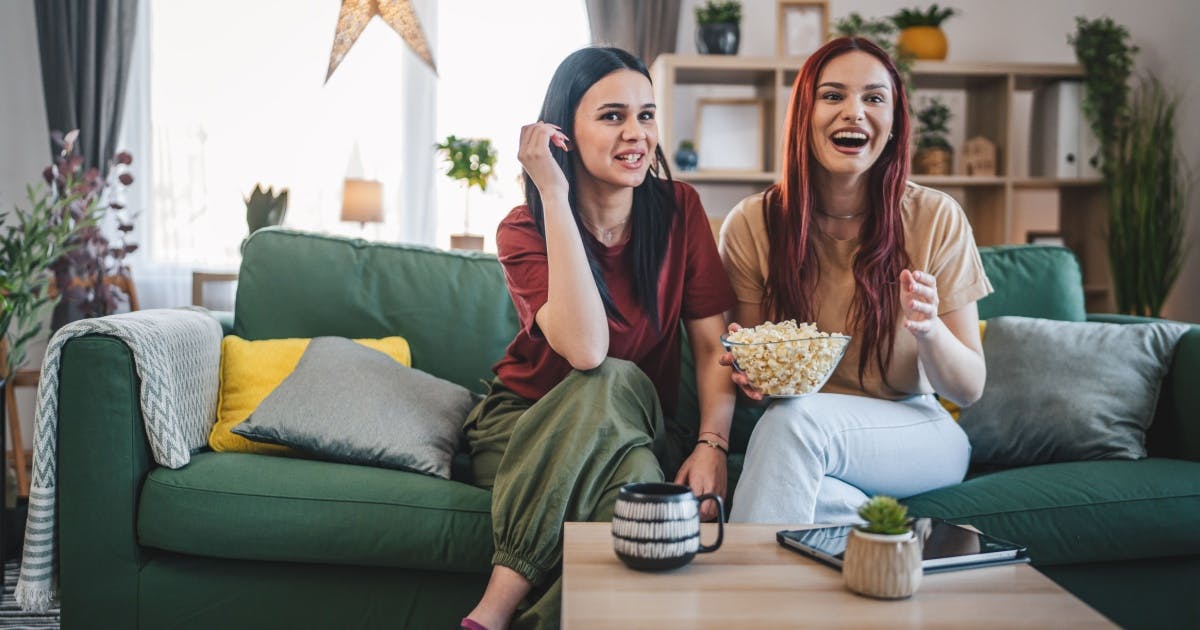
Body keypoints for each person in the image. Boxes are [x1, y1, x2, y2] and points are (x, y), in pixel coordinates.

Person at [461, 46, 737, 630]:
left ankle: (492, 611)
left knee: (617, 385)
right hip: (526, 425)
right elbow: (586, 350)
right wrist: (555, 196)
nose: (636, 134)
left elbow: (715, 347)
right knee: (632, 481)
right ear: (562, 133)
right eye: (612, 116)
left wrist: (712, 443)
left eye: (646, 115)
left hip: (639, 418)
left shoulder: (680, 210)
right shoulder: (523, 227)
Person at [718, 36, 992, 525]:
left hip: (919, 429)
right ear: (804, 114)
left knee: (793, 423)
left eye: (873, 98)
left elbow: (969, 388)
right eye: (832, 95)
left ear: (893, 124)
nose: (854, 112)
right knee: (798, 451)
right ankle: (884, 528)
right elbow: (754, 374)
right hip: (805, 436)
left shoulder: (935, 217)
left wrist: (928, 330)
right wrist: (751, 373)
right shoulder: (752, 224)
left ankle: (740, 596)